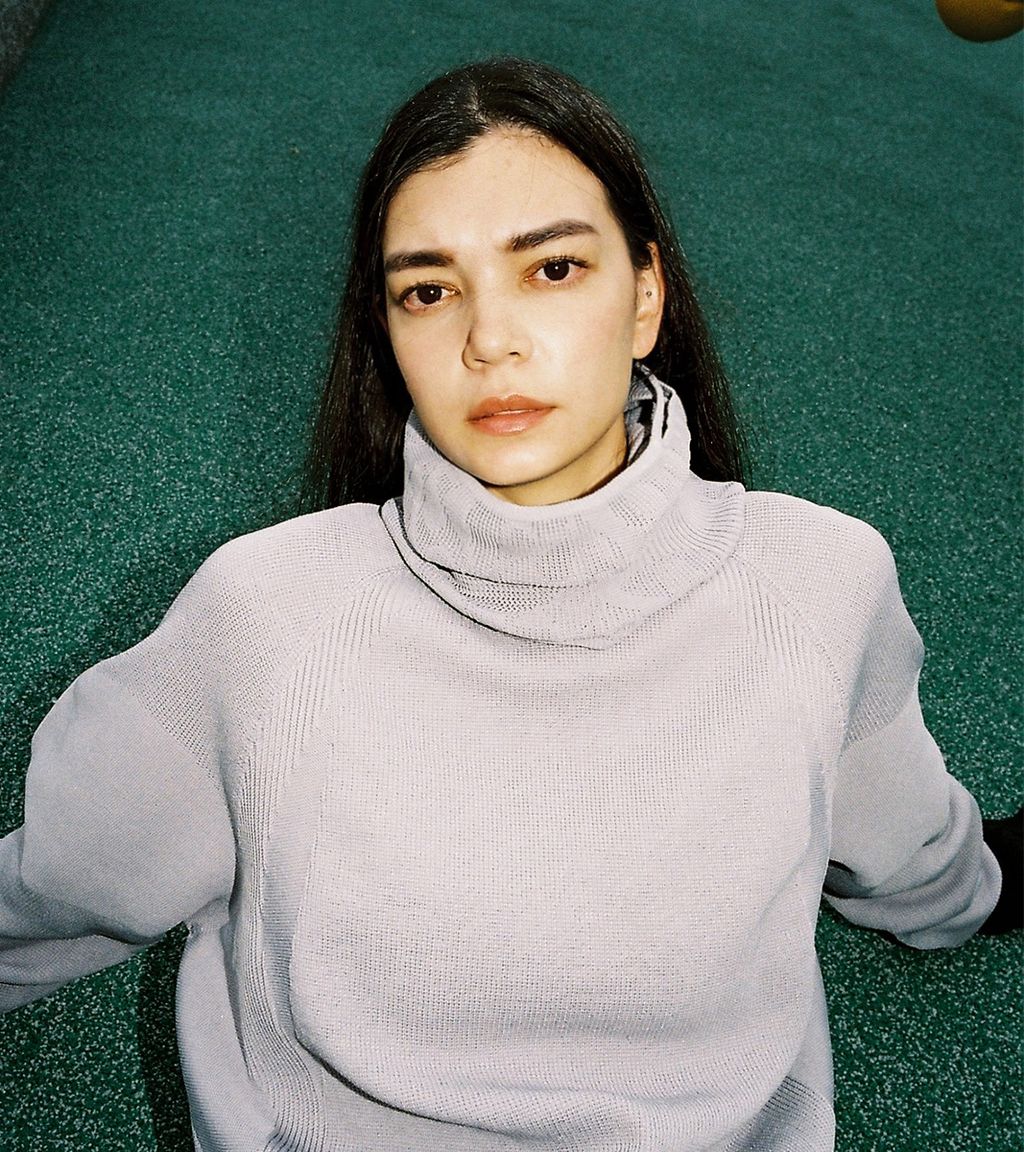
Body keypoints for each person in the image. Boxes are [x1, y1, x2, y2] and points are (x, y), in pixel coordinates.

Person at [0, 56, 1019, 1152]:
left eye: (552, 268)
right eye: (428, 290)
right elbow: (68, 879)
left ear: (646, 296)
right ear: (388, 332)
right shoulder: (265, 619)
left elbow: (912, 849)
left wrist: (974, 888)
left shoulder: (821, 586)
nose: (488, 339)